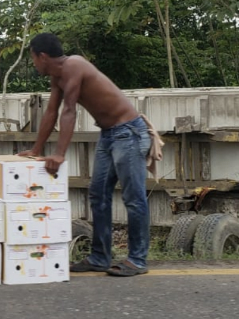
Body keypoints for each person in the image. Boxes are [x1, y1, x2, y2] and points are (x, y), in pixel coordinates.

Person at [21, 33, 154, 277]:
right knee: (98, 194)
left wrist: (59, 154)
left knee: (133, 198)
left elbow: (69, 111)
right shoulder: (57, 77)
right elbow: (52, 111)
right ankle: (100, 257)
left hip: (129, 133)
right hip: (109, 134)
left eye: (33, 59)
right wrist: (37, 150)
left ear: (42, 56)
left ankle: (137, 259)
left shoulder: (73, 65)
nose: (33, 64)